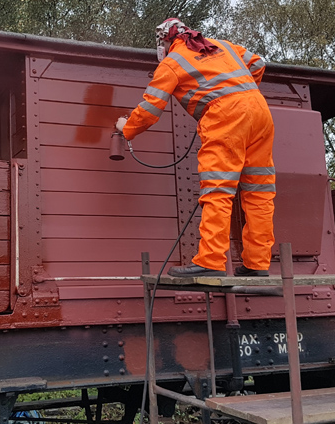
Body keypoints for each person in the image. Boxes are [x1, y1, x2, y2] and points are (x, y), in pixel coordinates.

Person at [116, 18, 275, 278]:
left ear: (165, 42)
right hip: (259, 111)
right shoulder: (223, 45)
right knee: (259, 192)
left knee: (217, 189)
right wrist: (241, 94)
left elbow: (150, 109)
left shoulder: (172, 62)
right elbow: (258, 64)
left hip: (225, 117)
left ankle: (211, 261)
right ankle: (257, 265)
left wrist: (126, 128)